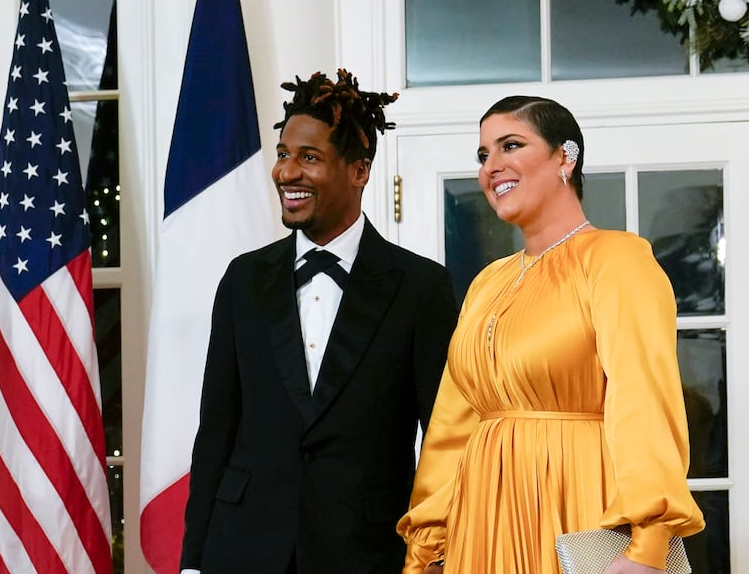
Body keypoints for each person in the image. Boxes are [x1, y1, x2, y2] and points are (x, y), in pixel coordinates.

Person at [397, 96, 705, 574]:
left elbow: (646, 401)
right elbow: (451, 427)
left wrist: (647, 547)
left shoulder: (616, 260)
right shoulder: (487, 283)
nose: (491, 167)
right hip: (482, 523)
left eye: (510, 145)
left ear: (565, 156)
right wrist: (431, 548)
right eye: (483, 155)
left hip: (578, 507)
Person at [179, 69, 459, 574]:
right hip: (242, 549)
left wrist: (435, 554)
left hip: (368, 551)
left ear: (359, 171)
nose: (287, 172)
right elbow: (216, 432)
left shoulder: (421, 288)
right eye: (284, 154)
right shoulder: (243, 280)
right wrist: (193, 561)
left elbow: (443, 438)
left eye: (309, 158)